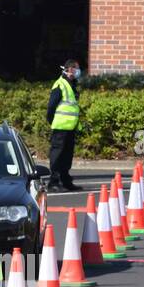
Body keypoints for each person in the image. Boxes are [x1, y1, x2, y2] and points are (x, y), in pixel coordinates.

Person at [45, 59, 82, 191]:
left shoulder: (71, 84)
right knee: (57, 155)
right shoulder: (60, 84)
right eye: (76, 68)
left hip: (70, 128)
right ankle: (53, 182)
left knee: (67, 156)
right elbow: (51, 107)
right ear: (70, 69)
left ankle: (66, 181)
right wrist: (52, 121)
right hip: (60, 127)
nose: (78, 71)